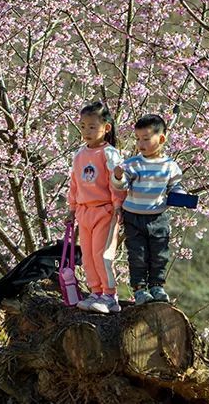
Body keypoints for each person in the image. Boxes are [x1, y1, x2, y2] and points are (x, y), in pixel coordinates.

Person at [112, 114, 185, 304]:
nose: (140, 143)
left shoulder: (170, 166)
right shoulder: (133, 163)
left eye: (145, 139)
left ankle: (157, 286)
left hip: (158, 217)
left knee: (159, 254)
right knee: (137, 255)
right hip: (133, 217)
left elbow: (175, 187)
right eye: (137, 138)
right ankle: (139, 289)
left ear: (161, 139)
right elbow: (121, 186)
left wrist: (182, 196)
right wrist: (118, 177)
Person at [66, 101, 125, 314]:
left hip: (104, 210)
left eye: (92, 126)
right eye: (83, 126)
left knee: (102, 254)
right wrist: (72, 208)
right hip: (84, 211)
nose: (86, 131)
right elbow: (74, 183)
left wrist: (117, 205)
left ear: (106, 128)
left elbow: (116, 182)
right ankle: (95, 292)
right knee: (88, 256)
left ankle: (110, 295)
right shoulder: (80, 154)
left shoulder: (109, 154)